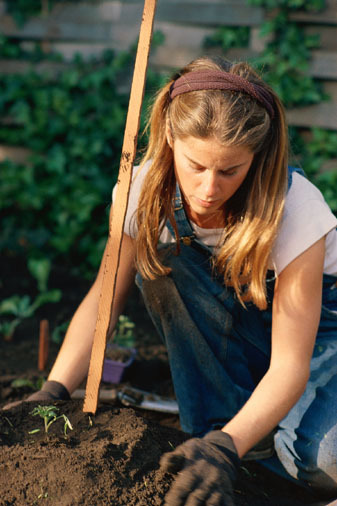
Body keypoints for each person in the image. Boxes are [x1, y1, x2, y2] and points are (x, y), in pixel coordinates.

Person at [5, 56, 337, 505]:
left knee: (322, 462)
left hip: (320, 336)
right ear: (169, 138)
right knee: (164, 262)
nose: (208, 189)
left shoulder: (294, 209)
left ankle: (243, 439)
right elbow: (104, 298)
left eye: (229, 171)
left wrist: (224, 451)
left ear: (255, 158)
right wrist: (54, 389)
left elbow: (291, 365)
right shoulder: (141, 192)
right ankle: (227, 430)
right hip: (245, 322)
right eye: (196, 165)